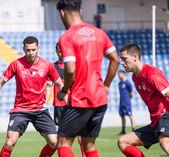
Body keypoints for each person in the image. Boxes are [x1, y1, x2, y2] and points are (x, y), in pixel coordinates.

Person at [55, 0, 120, 156]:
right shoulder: (99, 33)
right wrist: (106, 86)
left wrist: (64, 89)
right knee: (88, 145)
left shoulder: (67, 37)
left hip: (81, 99)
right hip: (100, 99)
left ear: (62, 13)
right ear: (81, 11)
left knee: (63, 142)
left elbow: (70, 70)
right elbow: (116, 60)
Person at [0, 36, 64, 157]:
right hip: (21, 110)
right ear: (23, 49)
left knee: (55, 143)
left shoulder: (47, 66)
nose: (31, 53)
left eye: (33, 50)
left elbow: (60, 84)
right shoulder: (16, 64)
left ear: (38, 48)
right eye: (28, 50)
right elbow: (0, 82)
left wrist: (70, 99)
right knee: (9, 142)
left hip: (40, 111)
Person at [117, 43, 169, 157]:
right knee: (123, 141)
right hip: (155, 122)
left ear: (135, 57)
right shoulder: (135, 77)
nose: (122, 63)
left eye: (124, 59)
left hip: (167, 117)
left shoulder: (152, 74)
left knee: (166, 144)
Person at [45, 43, 86, 157]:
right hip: (60, 106)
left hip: (75, 104)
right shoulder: (52, 67)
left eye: (63, 51)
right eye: (59, 51)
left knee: (81, 133)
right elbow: (48, 86)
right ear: (56, 51)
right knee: (58, 138)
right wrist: (45, 103)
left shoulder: (74, 66)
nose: (61, 53)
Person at [117, 70, 135, 134]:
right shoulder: (119, 83)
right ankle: (123, 130)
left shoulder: (128, 83)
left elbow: (131, 93)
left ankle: (133, 129)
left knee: (130, 114)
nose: (118, 76)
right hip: (121, 102)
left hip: (127, 102)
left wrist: (128, 99)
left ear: (123, 74)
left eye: (119, 74)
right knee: (122, 115)